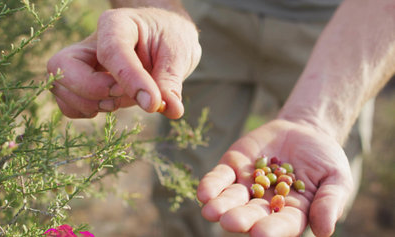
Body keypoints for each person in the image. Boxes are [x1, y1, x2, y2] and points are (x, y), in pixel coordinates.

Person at [46, 0, 394, 236]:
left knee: (319, 205)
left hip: (346, 29)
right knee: (183, 186)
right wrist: (153, 7)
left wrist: (318, 120)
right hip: (205, 14)